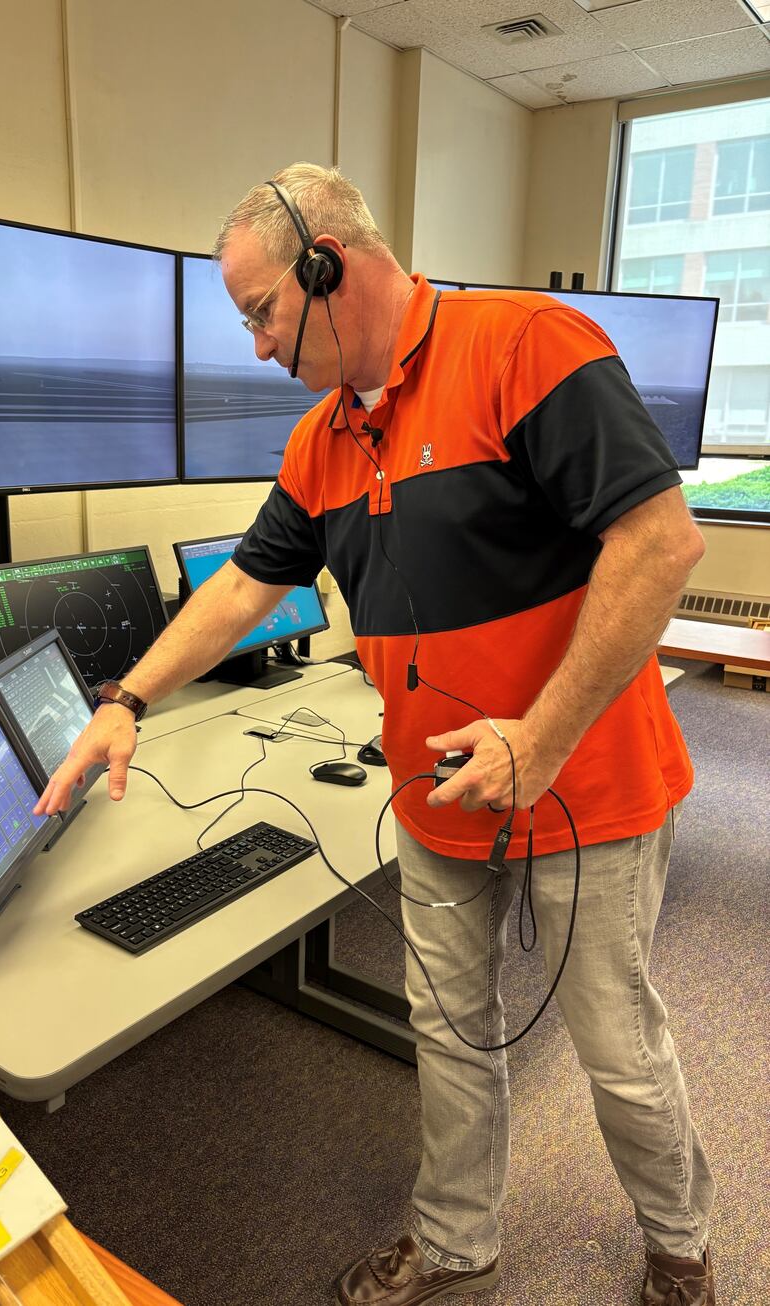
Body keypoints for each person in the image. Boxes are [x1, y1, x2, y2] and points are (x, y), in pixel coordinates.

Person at [35, 164, 716, 1305]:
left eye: (259, 311)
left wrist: (538, 740)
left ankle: (681, 1243)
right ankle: (455, 1241)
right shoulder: (323, 440)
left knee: (617, 1047)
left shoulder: (526, 345)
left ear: (327, 267)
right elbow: (246, 588)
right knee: (450, 1037)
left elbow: (658, 545)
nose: (254, 344)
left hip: (583, 785)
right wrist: (126, 699)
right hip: (434, 800)